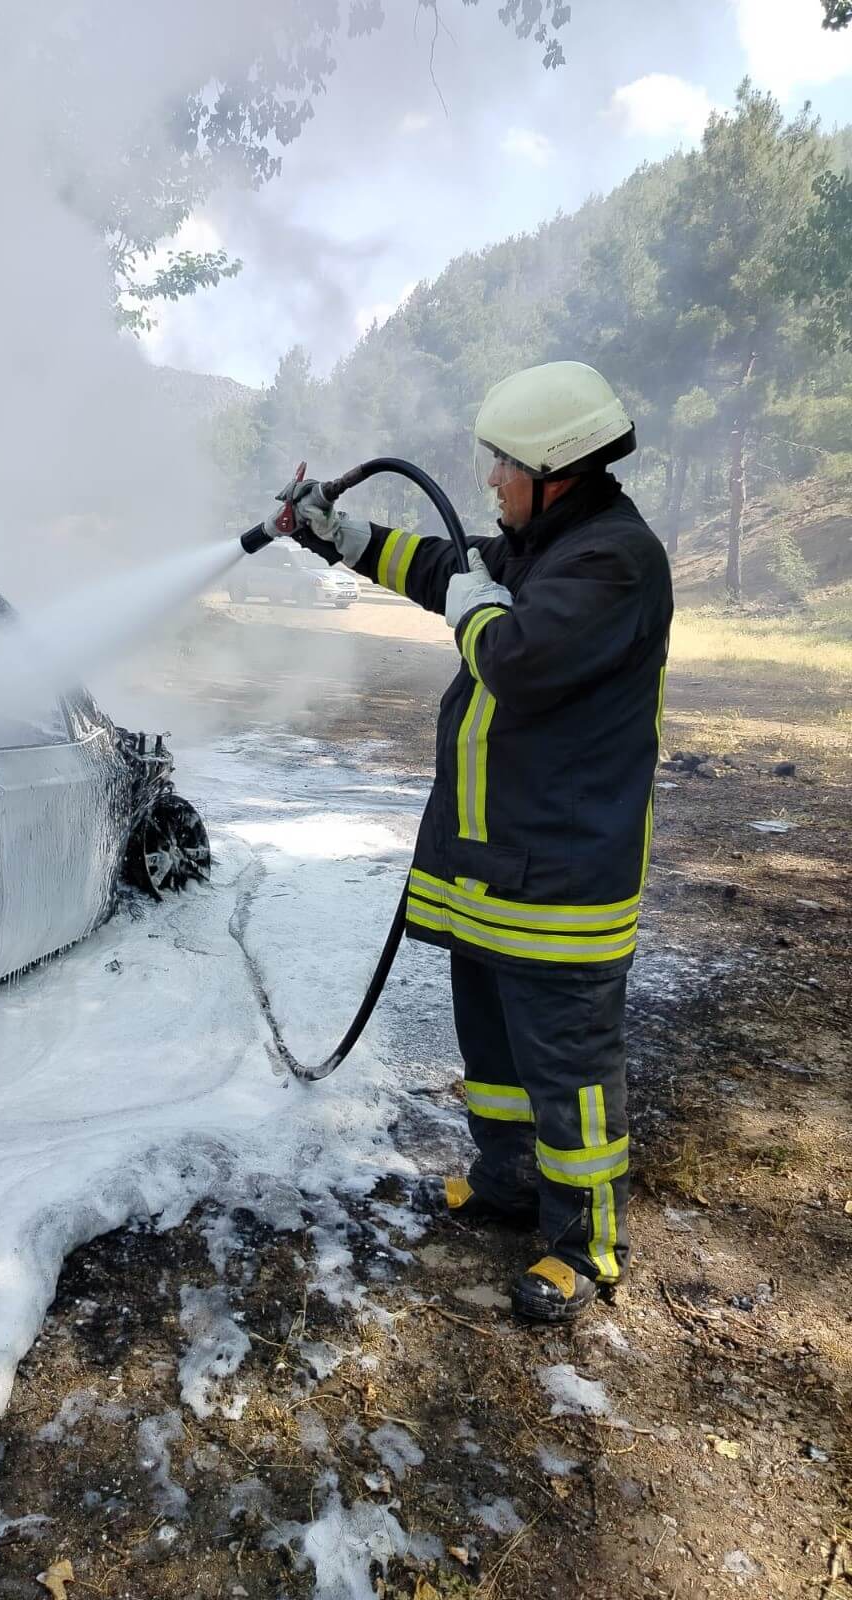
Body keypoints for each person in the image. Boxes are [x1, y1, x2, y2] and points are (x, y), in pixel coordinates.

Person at [279, 361, 673, 1323]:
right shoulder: (542, 544)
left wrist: (476, 608)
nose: (491, 479)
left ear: (556, 470)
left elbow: (516, 659)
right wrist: (340, 536)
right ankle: (507, 1182)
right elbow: (439, 570)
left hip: (563, 876)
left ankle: (585, 1245)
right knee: (492, 1045)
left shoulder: (613, 562)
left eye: (506, 464)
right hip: (492, 862)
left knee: (569, 1068)